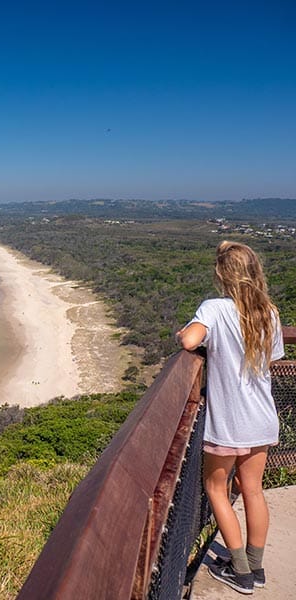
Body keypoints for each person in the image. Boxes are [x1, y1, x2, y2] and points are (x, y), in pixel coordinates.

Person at [177, 241, 283, 595]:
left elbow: (190, 341)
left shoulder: (216, 308)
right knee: (253, 489)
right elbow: (270, 360)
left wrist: (183, 331)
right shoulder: (269, 312)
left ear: (222, 275)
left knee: (215, 489)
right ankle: (256, 565)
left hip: (229, 421)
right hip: (262, 416)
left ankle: (239, 572)